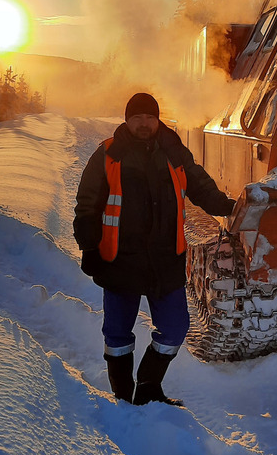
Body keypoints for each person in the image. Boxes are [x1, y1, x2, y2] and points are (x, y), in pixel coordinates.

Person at [74, 92, 235, 406]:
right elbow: (87, 205)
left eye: (149, 117)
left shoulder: (174, 151)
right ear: (127, 120)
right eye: (137, 117)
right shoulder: (108, 154)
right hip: (120, 260)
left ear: (158, 119)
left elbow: (200, 185)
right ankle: (122, 397)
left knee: (175, 328)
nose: (144, 123)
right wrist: (89, 248)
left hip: (165, 260)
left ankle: (148, 388)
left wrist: (228, 206)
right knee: (118, 335)